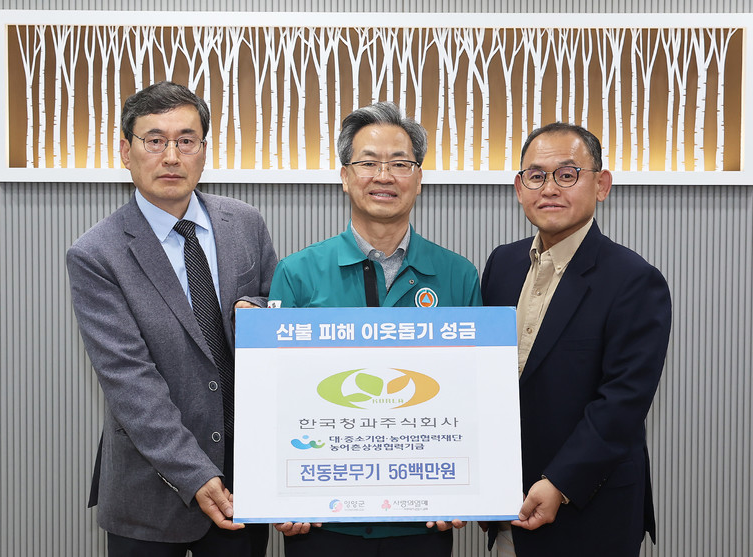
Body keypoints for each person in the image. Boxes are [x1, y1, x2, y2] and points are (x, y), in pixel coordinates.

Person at [261, 102, 481, 557]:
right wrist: (276, 491)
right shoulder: (297, 273)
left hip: (423, 522)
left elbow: (475, 396)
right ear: (345, 176)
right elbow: (273, 396)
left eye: (400, 164)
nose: (385, 176)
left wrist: (468, 486)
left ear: (418, 178)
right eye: (368, 163)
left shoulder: (458, 275)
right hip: (321, 522)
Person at [66, 81, 276, 557]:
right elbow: (128, 379)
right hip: (148, 489)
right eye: (154, 140)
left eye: (186, 140)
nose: (171, 156)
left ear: (204, 150)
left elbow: (277, 307)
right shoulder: (96, 254)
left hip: (244, 478)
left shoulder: (244, 223)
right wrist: (195, 472)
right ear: (126, 151)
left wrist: (258, 310)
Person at [481, 122, 671, 557]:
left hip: (589, 510)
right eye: (536, 175)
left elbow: (622, 401)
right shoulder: (502, 264)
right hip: (509, 506)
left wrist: (559, 482)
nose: (550, 188)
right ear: (519, 188)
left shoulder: (634, 280)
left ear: (601, 185)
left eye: (567, 174)